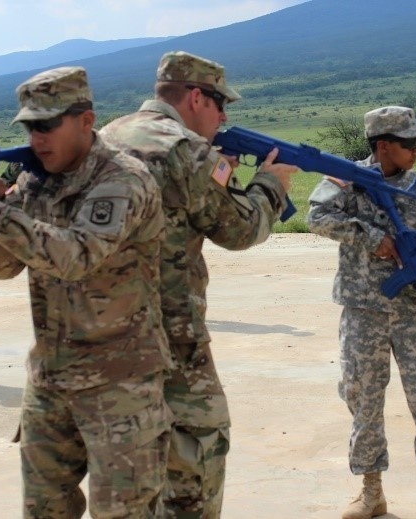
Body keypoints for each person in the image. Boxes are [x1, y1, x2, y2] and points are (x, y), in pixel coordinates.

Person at [0, 66, 172, 518]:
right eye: (28, 126)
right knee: (43, 509)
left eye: (47, 124)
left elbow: (76, 257)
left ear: (86, 120)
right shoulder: (35, 180)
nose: (36, 137)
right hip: (51, 378)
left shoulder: (123, 179)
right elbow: (4, 267)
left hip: (120, 383)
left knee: (122, 511)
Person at [99, 51, 297, 518]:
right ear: (194, 96)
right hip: (170, 338)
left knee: (125, 466)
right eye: (218, 102)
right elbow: (241, 230)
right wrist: (272, 182)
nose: (224, 115)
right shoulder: (186, 150)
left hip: (102, 336)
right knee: (195, 457)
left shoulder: (105, 136)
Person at [306, 106, 416, 519]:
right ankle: (371, 492)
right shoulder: (346, 177)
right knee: (363, 402)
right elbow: (316, 215)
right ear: (384, 146)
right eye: (410, 143)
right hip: (363, 311)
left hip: (413, 314)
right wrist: (372, 237)